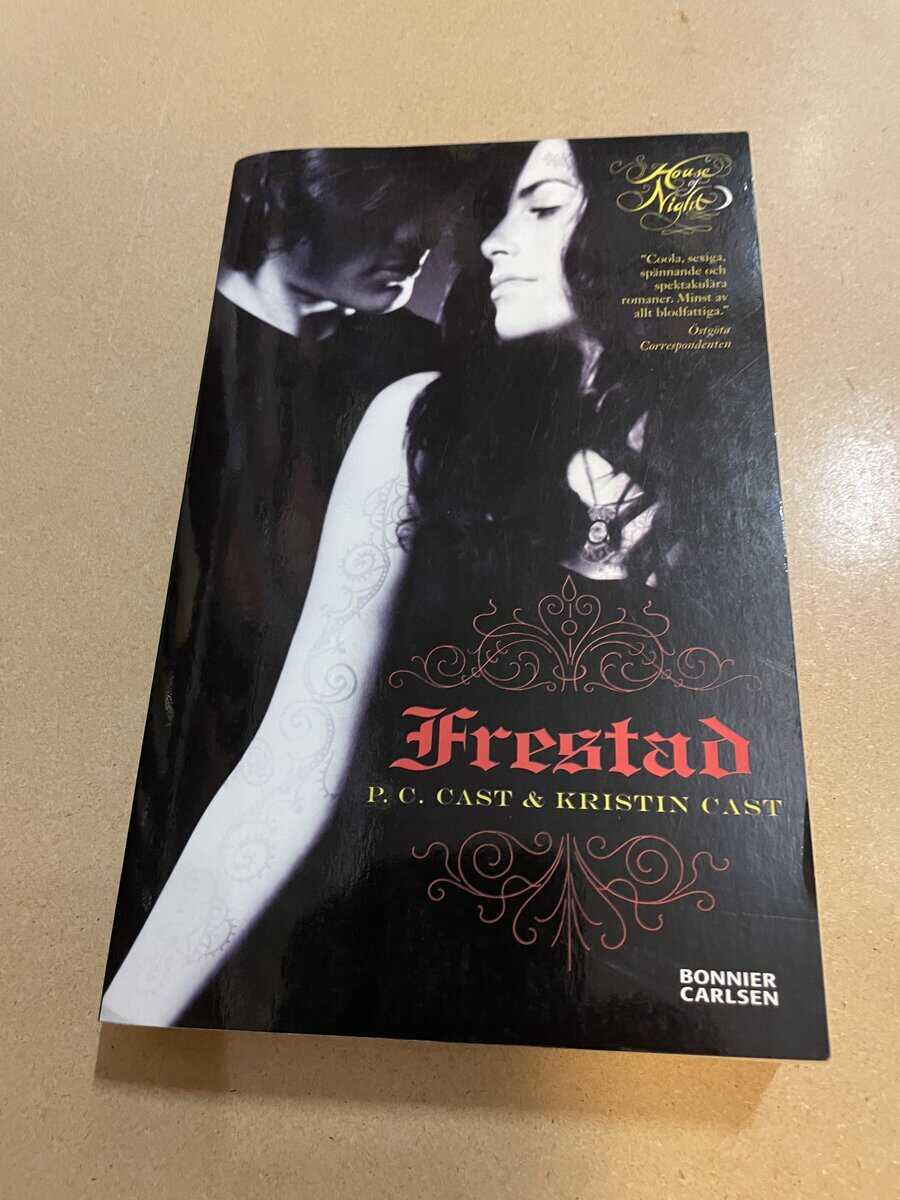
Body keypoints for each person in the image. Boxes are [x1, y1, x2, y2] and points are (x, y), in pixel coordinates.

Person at [100, 139, 713, 1028]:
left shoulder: (730, 463)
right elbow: (293, 763)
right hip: (406, 966)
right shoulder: (422, 425)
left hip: (653, 984)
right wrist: (134, 1011)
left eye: (542, 208)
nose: (492, 242)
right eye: (501, 210)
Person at [102, 147, 469, 1000]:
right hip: (180, 765)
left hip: (364, 777)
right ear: (281, 194)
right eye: (389, 208)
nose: (419, 242)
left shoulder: (422, 373)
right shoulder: (170, 351)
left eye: (432, 216)